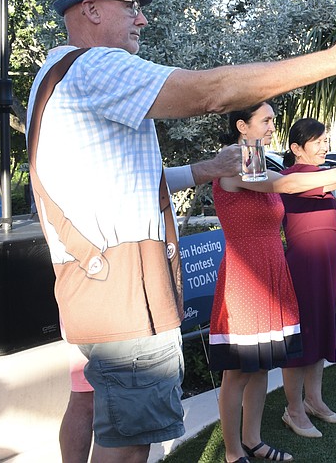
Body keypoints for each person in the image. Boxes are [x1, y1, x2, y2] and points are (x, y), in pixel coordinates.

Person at [27, 0, 336, 462]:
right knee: (128, 443)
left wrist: (203, 169)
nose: (143, 17)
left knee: (102, 411)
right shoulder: (95, 65)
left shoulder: (56, 76)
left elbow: (124, 184)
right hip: (124, 289)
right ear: (91, 10)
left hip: (98, 284)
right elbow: (211, 92)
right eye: (130, 5)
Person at [58, 157, 241, 463]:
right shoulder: (101, 156)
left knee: (87, 400)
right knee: (120, 428)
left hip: (94, 291)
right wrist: (209, 168)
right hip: (113, 296)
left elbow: (153, 180)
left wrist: (208, 168)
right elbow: (144, 181)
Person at [209, 103, 336, 462]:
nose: (274, 125)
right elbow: (287, 184)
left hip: (273, 270)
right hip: (246, 278)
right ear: (242, 126)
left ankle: (254, 441)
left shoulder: (260, 159)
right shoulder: (233, 160)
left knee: (261, 366)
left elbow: (286, 184)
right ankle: (233, 452)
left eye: (273, 119)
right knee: (238, 372)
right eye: (267, 120)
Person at [279, 119, 336, 438]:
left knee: (320, 330)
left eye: (325, 141)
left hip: (326, 265)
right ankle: (293, 409)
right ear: (296, 148)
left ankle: (314, 401)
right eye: (318, 141)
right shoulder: (292, 177)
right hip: (303, 267)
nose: (324, 146)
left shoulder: (321, 176)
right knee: (303, 335)